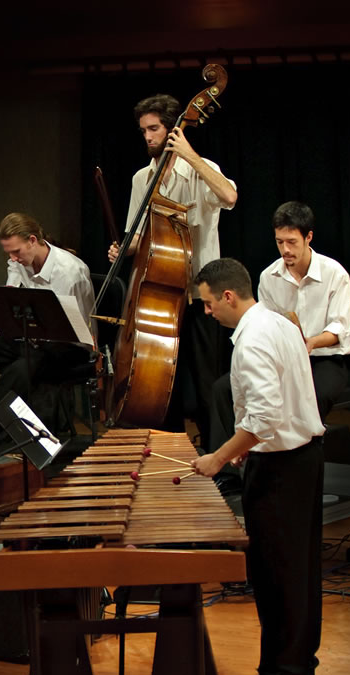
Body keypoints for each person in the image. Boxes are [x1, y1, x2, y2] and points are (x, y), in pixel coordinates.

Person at [190, 259, 324, 675]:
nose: (207, 313)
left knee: (274, 574)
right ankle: (300, 662)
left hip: (280, 468)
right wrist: (247, 439)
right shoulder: (280, 321)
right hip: (304, 457)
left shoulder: (250, 343)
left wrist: (218, 458)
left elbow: (264, 418)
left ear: (228, 296)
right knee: (301, 568)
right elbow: (278, 402)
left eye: (208, 304)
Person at [108, 94, 239, 446]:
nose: (148, 137)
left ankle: (219, 458)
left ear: (172, 130)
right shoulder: (141, 179)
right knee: (165, 377)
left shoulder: (199, 168)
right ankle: (169, 448)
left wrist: (190, 156)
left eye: (154, 129)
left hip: (199, 294)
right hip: (158, 291)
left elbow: (229, 198)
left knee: (207, 378)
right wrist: (123, 249)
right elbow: (139, 237)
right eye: (144, 131)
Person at [208, 201, 350, 493]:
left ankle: (301, 467)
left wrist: (309, 342)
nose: (285, 250)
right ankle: (237, 465)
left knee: (314, 393)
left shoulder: (335, 274)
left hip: (324, 360)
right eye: (279, 242)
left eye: (292, 242)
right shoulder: (269, 277)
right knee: (223, 389)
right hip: (284, 359)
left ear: (308, 237)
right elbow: (264, 323)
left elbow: (339, 330)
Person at [0, 212, 94, 446]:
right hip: (29, 337)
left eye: (16, 251)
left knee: (18, 371)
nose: (13, 258)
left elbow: (76, 329)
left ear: (33, 240)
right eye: (8, 253)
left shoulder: (71, 272)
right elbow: (11, 295)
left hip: (68, 347)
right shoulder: (18, 263)